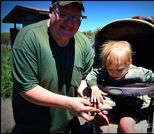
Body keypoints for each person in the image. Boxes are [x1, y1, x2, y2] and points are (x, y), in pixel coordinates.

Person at [11, 1, 100, 133]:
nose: (70, 23)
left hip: (69, 125)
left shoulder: (83, 42)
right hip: (33, 127)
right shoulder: (28, 38)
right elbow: (27, 88)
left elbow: (82, 79)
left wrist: (91, 97)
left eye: (76, 18)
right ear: (51, 11)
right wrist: (69, 103)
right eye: (63, 15)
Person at [85, 40, 154, 133]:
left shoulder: (139, 73)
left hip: (131, 106)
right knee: (100, 117)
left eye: (119, 70)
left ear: (129, 63)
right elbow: (91, 75)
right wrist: (94, 87)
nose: (114, 73)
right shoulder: (105, 71)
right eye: (110, 69)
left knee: (124, 124)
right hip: (110, 104)